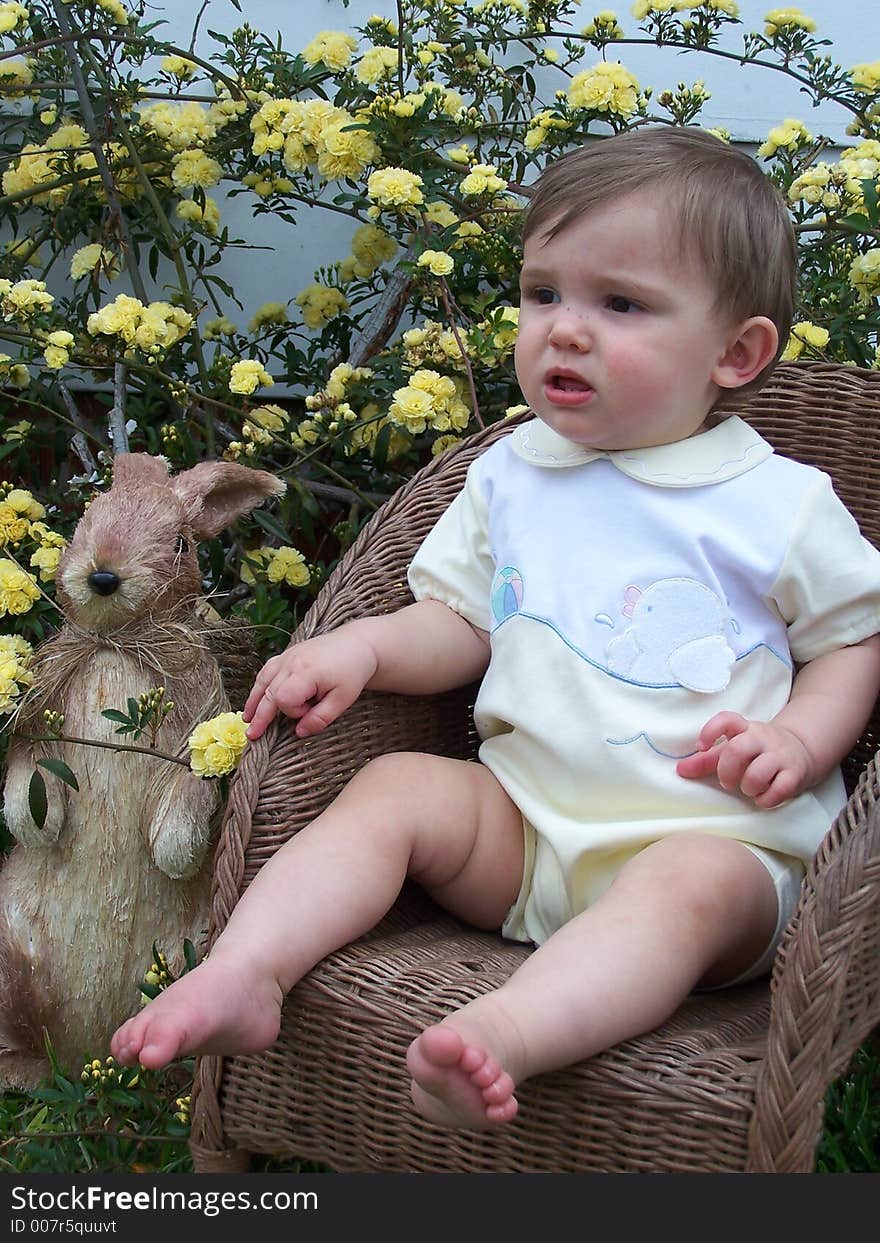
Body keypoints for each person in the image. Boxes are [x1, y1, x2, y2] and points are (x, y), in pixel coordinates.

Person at [111, 126, 880, 1130]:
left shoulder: (773, 501)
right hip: (522, 831)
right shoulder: (510, 473)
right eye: (542, 292)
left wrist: (799, 738)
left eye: (621, 304)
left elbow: (851, 641)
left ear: (734, 352)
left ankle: (506, 1032)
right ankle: (247, 970)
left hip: (715, 845)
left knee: (682, 887)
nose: (563, 329)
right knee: (392, 787)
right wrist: (365, 648)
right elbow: (459, 622)